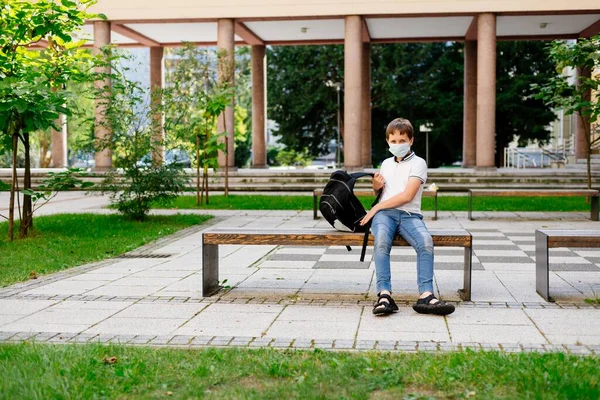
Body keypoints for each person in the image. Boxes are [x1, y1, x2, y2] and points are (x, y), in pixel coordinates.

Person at [360, 118, 455, 316]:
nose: (397, 145)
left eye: (401, 141)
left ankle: (426, 295)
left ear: (411, 140)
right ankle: (384, 295)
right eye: (393, 141)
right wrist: (376, 187)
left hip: (410, 215)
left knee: (425, 242)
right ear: (387, 142)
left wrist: (374, 209)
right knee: (382, 242)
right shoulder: (386, 163)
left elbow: (407, 196)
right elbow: (382, 193)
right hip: (385, 214)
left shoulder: (419, 163)